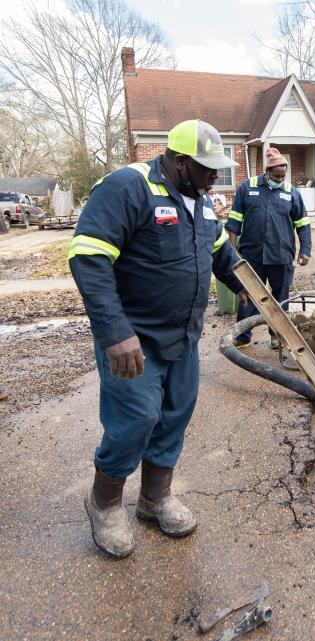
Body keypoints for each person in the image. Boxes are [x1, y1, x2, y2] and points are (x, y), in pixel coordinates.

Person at [69, 119, 247, 558]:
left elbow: (222, 252)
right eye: (206, 168)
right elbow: (87, 257)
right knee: (136, 419)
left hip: (183, 336)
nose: (214, 176)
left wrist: (249, 285)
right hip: (134, 339)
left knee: (173, 416)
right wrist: (114, 332)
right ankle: (105, 502)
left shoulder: (202, 203)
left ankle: (155, 498)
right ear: (178, 160)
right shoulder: (129, 188)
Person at [227, 148, 312, 348]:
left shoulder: (292, 193)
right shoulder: (248, 187)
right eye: (276, 176)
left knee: (280, 297)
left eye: (283, 176)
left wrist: (305, 250)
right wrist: (232, 251)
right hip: (252, 254)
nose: (280, 179)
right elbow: (234, 220)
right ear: (267, 171)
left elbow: (303, 223)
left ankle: (277, 336)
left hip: (281, 255)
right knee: (248, 294)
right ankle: (242, 336)